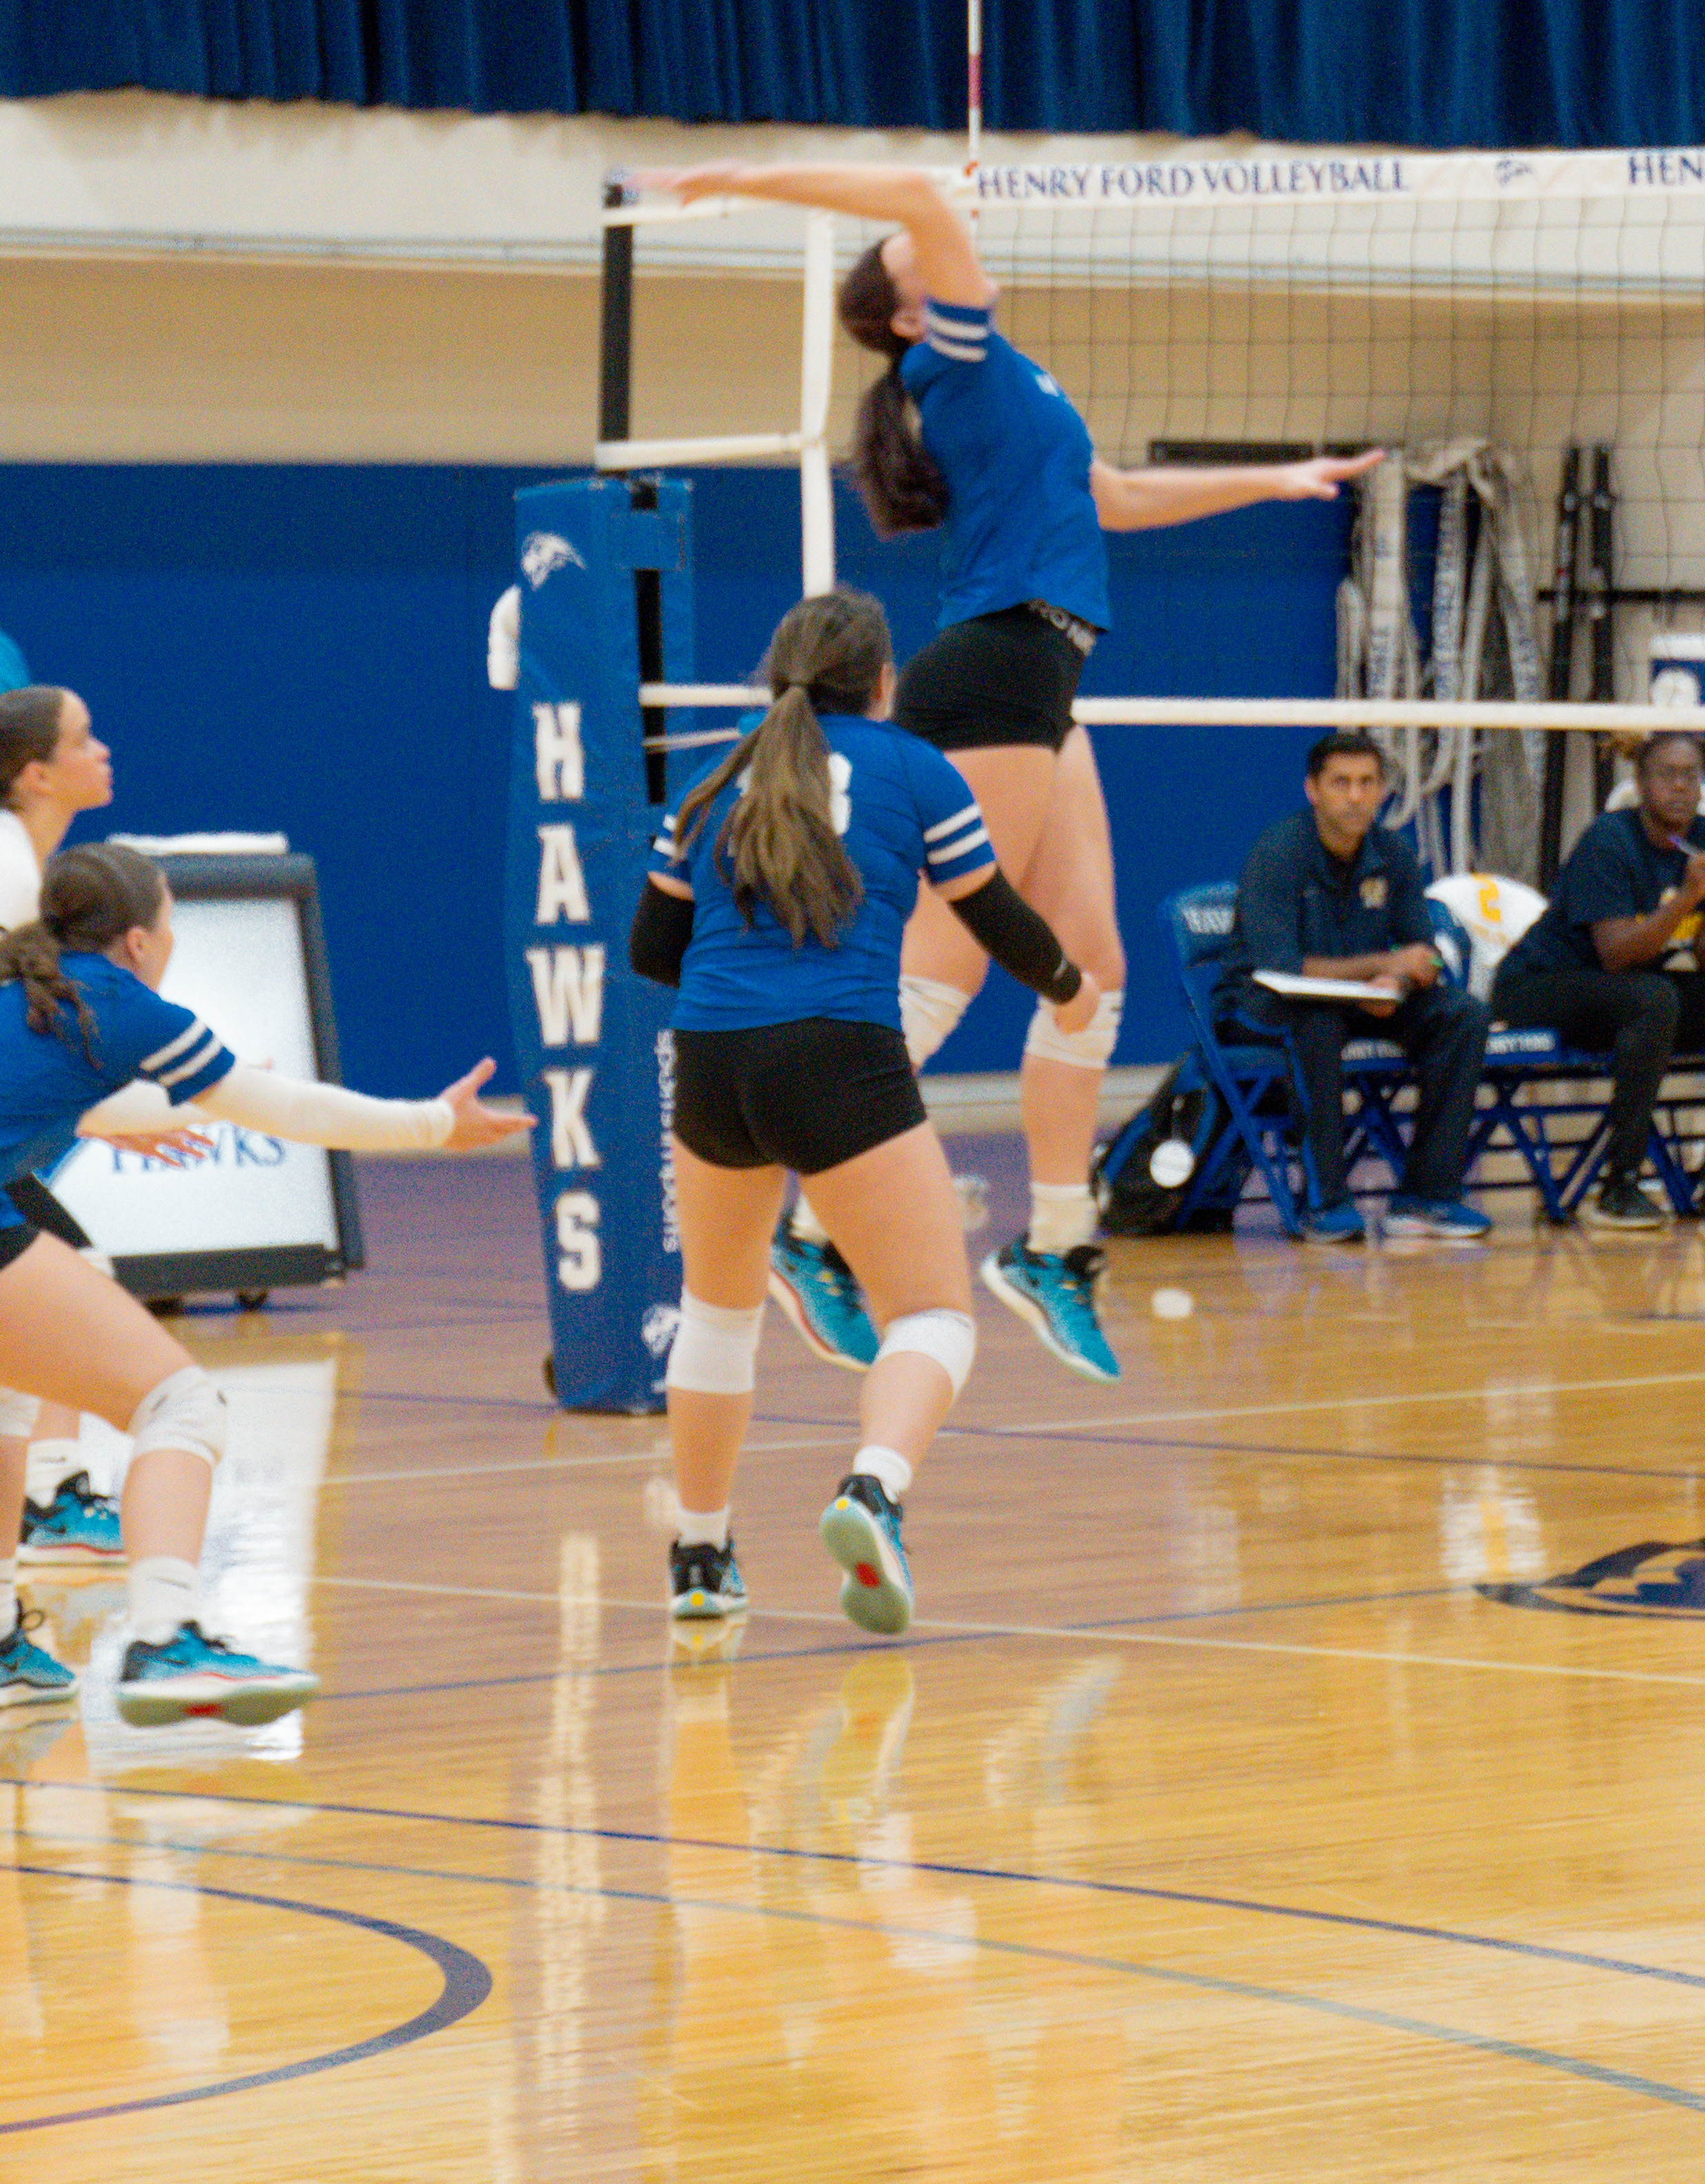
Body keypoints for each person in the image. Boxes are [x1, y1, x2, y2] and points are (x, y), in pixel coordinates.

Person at [635, 156, 1373, 1387]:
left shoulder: (1014, 377)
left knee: (1092, 978)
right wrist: (744, 175)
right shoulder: (955, 359)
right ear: (912, 309)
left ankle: (1055, 1243)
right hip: (992, 672)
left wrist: (1278, 480)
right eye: (926, 253)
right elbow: (920, 207)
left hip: (1045, 676)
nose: (952, 234)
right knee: (943, 965)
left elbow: (1119, 498)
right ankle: (812, 1231)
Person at [630, 588, 1101, 1631]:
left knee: (718, 1313)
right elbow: (994, 915)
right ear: (887, 683)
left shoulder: (713, 785)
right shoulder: (916, 769)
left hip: (711, 1060)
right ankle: (872, 1491)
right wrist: (1070, 985)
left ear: (776, 676)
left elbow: (650, 955)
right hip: (838, 1054)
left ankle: (701, 1561)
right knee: (931, 1314)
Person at [0, 842, 525, 1719]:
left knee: (12, 1401)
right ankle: (166, 1637)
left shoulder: (24, 989)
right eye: (169, 918)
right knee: (181, 1407)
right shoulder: (126, 1008)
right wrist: (437, 1123)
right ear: (138, 938)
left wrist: (124, 1115)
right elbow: (294, 1114)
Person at [1490, 733, 1705, 1227]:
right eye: (1666, 774)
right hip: (1541, 986)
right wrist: (1689, 897)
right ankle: (1619, 1184)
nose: (1680, 787)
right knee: (1653, 997)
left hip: (1636, 995)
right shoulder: (1609, 841)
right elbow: (1617, 955)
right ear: (1640, 783)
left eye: (1690, 776)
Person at [1222, 731, 1492, 1241]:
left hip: (1361, 999)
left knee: (1463, 1015)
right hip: (1265, 1005)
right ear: (1313, 790)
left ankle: (1427, 1196)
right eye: (1341, 782)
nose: (1355, 796)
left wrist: (1403, 981)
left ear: (1382, 791)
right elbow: (1281, 968)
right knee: (1316, 1026)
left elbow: (1424, 950)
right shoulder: (1278, 854)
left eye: (1367, 783)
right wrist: (1383, 965)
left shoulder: (1394, 853)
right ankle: (1325, 1202)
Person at [1, 683, 128, 1568]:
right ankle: (48, 1495)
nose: (105, 751)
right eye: (86, 739)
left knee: (64, 1271)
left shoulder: (26, 863)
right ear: (39, 772)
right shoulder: (8, 866)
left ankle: (47, 1491)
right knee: (57, 1278)